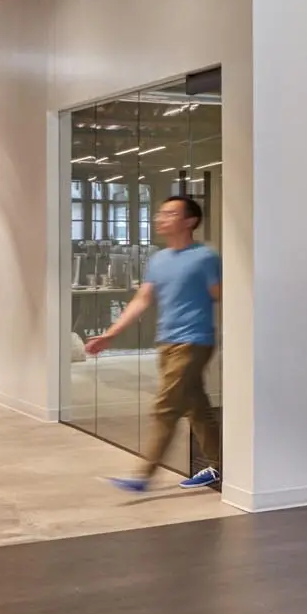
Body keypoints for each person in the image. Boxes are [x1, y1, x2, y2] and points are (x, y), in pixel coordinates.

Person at [86, 193, 222, 494]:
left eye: (170, 214)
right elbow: (142, 299)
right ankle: (219, 465)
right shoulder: (159, 260)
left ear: (190, 221)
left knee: (165, 407)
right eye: (161, 213)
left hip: (194, 341)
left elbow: (222, 293)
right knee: (197, 408)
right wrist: (110, 334)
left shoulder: (205, 257)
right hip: (167, 342)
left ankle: (143, 475)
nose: (161, 218)